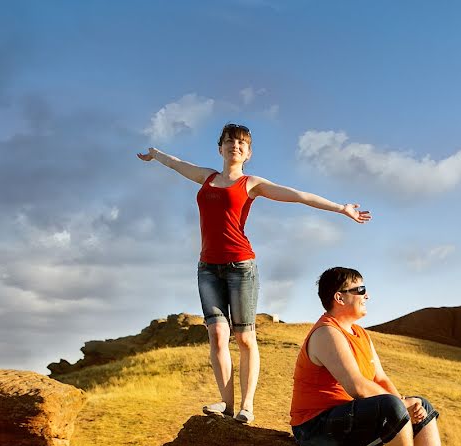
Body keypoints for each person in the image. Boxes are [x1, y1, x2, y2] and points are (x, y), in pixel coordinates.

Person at [137, 123, 371, 424]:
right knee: (217, 335)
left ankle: (247, 406)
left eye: (242, 144)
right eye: (229, 142)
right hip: (207, 267)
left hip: (240, 267)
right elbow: (178, 164)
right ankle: (227, 403)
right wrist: (156, 154)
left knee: (244, 337)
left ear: (248, 153)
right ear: (220, 148)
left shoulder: (251, 184)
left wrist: (341, 208)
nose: (235, 146)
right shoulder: (206, 178)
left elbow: (298, 195)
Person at [289, 267, 461, 446]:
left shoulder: (361, 334)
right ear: (339, 297)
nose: (367, 296)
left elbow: (380, 378)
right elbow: (356, 386)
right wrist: (400, 405)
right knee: (393, 406)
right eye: (361, 290)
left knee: (421, 404)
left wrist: (408, 408)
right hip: (315, 430)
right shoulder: (327, 333)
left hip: (345, 424)